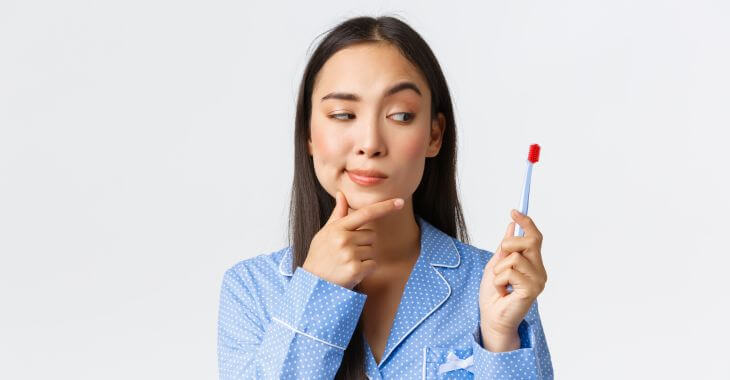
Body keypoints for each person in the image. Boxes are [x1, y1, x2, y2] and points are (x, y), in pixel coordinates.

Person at [217, 15, 553, 379]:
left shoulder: (494, 285)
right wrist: (317, 290)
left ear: (434, 135)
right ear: (308, 134)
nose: (371, 144)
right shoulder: (253, 288)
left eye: (401, 115)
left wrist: (500, 337)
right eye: (343, 114)